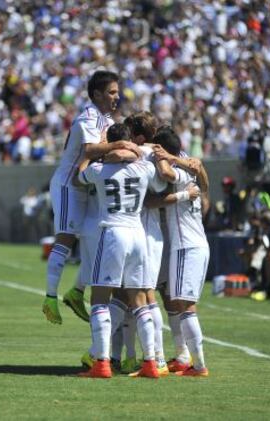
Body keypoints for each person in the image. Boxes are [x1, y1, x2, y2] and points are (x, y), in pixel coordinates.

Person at [42, 70, 140, 325]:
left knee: (96, 242)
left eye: (117, 92)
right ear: (96, 94)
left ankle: (75, 292)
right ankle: (50, 297)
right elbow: (90, 149)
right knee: (65, 239)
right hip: (68, 185)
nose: (117, 97)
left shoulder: (104, 119)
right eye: (111, 92)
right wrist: (121, 146)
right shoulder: (88, 116)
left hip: (87, 185)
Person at [77, 123, 167, 379]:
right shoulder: (144, 167)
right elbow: (160, 185)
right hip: (138, 234)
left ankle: (102, 363)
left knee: (100, 298)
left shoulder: (99, 169)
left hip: (113, 233)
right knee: (141, 301)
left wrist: (96, 151)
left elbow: (78, 175)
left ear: (112, 143)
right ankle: (150, 362)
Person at [151, 127, 210, 377]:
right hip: (194, 243)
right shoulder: (190, 165)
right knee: (178, 302)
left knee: (186, 306)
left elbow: (165, 172)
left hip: (186, 245)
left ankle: (199, 366)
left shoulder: (178, 170)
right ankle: (187, 360)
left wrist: (164, 159)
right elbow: (205, 183)